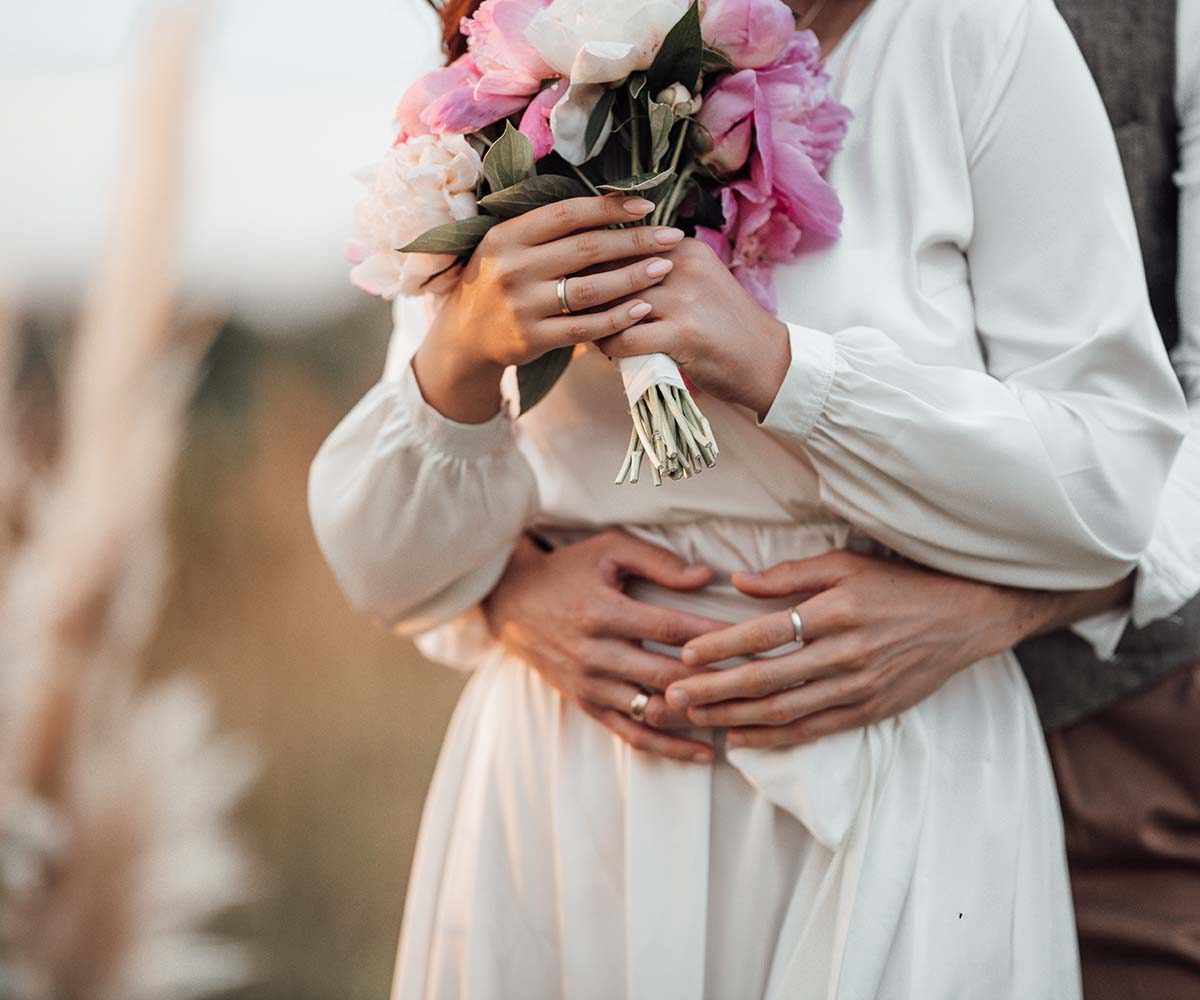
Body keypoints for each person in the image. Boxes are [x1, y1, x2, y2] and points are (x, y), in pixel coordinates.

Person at [309, 0, 1188, 996]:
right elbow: (387, 573)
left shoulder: (976, 32)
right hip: (570, 789)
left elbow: (1115, 485)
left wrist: (785, 375)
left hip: (898, 771)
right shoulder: (525, 46)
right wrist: (464, 361)